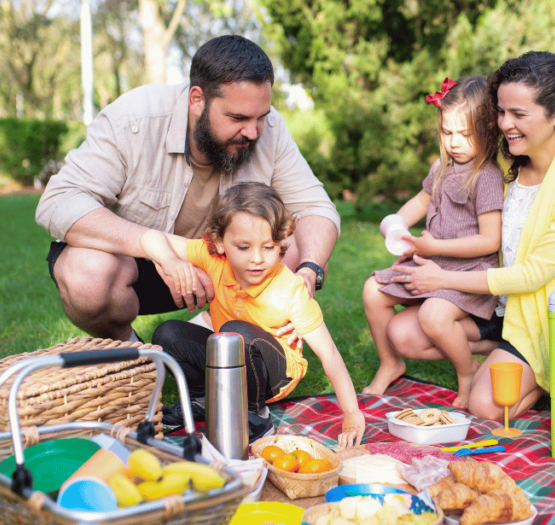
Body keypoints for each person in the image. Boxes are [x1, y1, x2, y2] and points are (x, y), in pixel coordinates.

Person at [35, 35, 339, 343]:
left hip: (226, 265)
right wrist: (151, 244)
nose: (252, 132)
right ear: (197, 100)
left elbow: (316, 209)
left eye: (261, 117)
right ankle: (133, 352)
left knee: (303, 241)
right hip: (140, 265)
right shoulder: (134, 118)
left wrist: (309, 271)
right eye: (238, 118)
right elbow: (58, 201)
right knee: (85, 274)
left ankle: (218, 338)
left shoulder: (270, 130)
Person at [389, 51, 555, 421]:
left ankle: (553, 376)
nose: (504, 124)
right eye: (501, 112)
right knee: (403, 334)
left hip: (545, 319)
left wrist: (441, 278)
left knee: (487, 406)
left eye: (518, 114)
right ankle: (500, 354)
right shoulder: (509, 162)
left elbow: (533, 275)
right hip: (501, 307)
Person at [141, 182, 365, 447]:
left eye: (268, 247)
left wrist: (352, 414)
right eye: (244, 247)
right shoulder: (213, 258)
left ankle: (255, 415)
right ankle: (201, 399)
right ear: (221, 243)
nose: (257, 259)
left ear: (281, 244)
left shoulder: (289, 289)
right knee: (167, 333)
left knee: (237, 332)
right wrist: (170, 260)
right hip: (231, 357)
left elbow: (329, 353)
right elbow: (149, 238)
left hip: (273, 375)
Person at [361, 76, 504, 409]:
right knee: (372, 291)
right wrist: (397, 223)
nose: (455, 142)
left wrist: (433, 248)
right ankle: (390, 363)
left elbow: (489, 239)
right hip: (431, 259)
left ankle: (467, 370)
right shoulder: (442, 166)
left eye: (465, 134)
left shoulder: (487, 176)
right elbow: (423, 200)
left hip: (468, 270)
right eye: (447, 132)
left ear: (487, 131)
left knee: (434, 316)